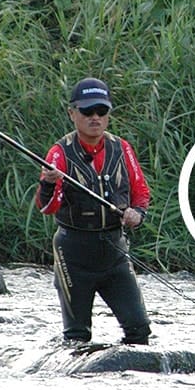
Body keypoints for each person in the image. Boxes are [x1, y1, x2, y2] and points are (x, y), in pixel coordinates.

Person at [35, 77, 152, 345]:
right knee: (77, 337)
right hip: (73, 254)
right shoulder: (58, 154)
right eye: (87, 112)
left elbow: (141, 192)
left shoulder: (122, 149)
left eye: (102, 111)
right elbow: (47, 207)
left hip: (114, 252)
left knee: (139, 330)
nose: (95, 117)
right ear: (72, 113)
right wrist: (48, 183)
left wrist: (137, 212)